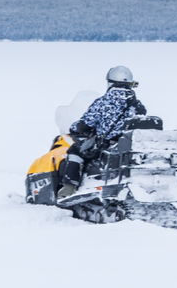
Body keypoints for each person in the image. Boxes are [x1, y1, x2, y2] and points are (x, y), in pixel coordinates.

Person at [58, 66, 146, 198]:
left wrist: (75, 127)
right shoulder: (137, 105)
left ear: (110, 82)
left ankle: (69, 188)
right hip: (128, 146)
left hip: (108, 146)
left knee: (74, 150)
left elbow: (85, 124)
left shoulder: (103, 102)